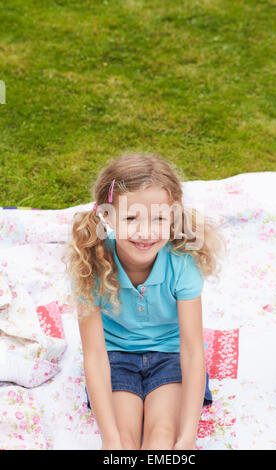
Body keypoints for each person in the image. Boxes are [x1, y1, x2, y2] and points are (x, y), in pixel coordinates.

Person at [62, 152, 227, 450]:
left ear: (174, 215)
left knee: (162, 436)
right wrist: (109, 440)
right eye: (131, 218)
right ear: (106, 216)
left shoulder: (182, 263)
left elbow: (191, 350)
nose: (145, 232)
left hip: (170, 356)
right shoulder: (91, 265)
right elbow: (95, 357)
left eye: (159, 218)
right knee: (123, 439)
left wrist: (187, 437)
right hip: (115, 358)